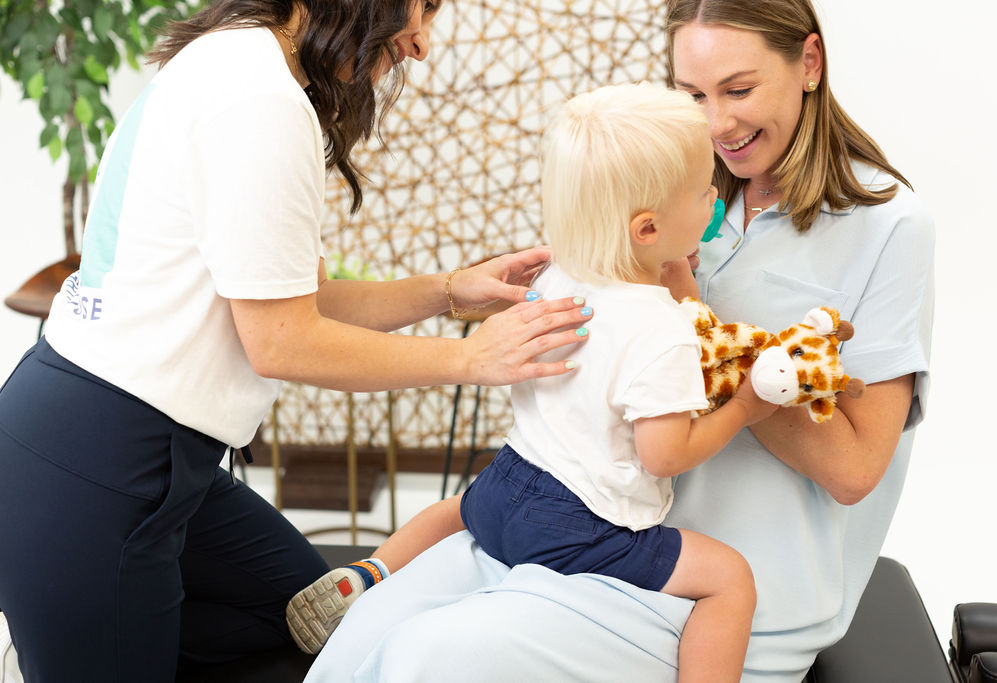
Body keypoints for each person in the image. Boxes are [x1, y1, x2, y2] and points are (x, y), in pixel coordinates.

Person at [304, 0, 935, 681]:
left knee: (424, 657)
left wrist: (719, 349)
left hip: (710, 593)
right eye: (693, 94)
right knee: (363, 640)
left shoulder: (888, 226)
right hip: (582, 526)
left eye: (739, 89)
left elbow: (854, 470)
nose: (718, 123)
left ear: (809, 62)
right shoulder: (667, 185)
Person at [0, 0, 595, 680]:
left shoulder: (238, 60)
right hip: (98, 463)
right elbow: (282, 340)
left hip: (127, 451)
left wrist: (449, 291)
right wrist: (469, 357)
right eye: (423, 6)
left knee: (313, 620)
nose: (423, 42)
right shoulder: (260, 98)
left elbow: (290, 299)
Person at [288, 82, 777, 682]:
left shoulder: (559, 276)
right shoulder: (662, 331)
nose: (715, 198)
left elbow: (662, 308)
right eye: (705, 191)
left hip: (505, 489)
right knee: (731, 579)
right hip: (580, 528)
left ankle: (371, 574)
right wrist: (744, 409)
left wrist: (673, 268)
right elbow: (663, 454)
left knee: (454, 511)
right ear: (647, 229)